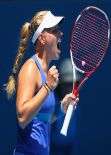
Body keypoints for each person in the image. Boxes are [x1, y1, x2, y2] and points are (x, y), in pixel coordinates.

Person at [5, 10, 79, 155]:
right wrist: (47, 87)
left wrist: (61, 109)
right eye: (55, 30)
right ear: (42, 39)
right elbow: (22, 117)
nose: (61, 34)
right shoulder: (30, 68)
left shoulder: (46, 73)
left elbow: (43, 120)